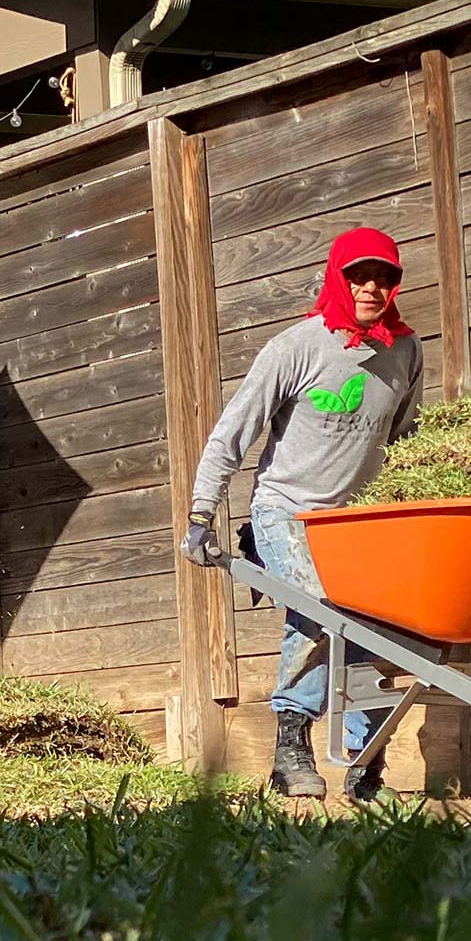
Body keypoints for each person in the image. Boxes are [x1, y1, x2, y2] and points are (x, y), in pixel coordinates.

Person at [179, 226, 422, 800]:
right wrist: (200, 513)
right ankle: (291, 748)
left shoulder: (405, 351)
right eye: (359, 276)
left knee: (380, 628)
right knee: (317, 612)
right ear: (338, 278)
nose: (371, 287)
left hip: (359, 520)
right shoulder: (295, 347)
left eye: (383, 277)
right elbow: (232, 432)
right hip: (286, 512)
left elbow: (406, 435)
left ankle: (366, 764)